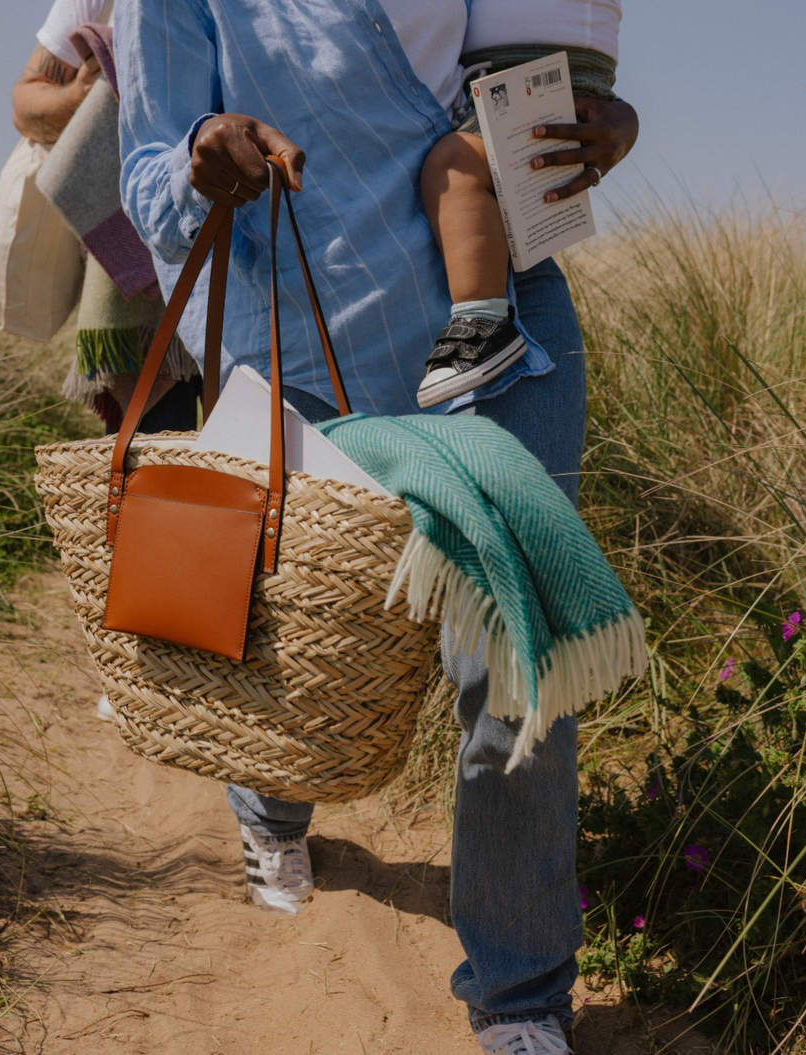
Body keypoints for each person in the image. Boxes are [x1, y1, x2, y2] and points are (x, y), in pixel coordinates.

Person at [115, 2, 637, 1050]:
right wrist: (202, 159)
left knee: (511, 636)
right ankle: (272, 803)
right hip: (313, 325)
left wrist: (596, 120)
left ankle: (519, 995)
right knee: (313, 630)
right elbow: (146, 180)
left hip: (497, 305)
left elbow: (518, 62)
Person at [13, 0, 202, 722]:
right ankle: (147, 662)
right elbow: (26, 102)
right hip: (134, 276)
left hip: (250, 228)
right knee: (153, 451)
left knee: (257, 447)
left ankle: (233, 647)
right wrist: (103, 90)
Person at [417, 3, 621, 408]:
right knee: (473, 176)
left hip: (536, 67)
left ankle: (483, 323)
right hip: (522, 68)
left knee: (454, 167)